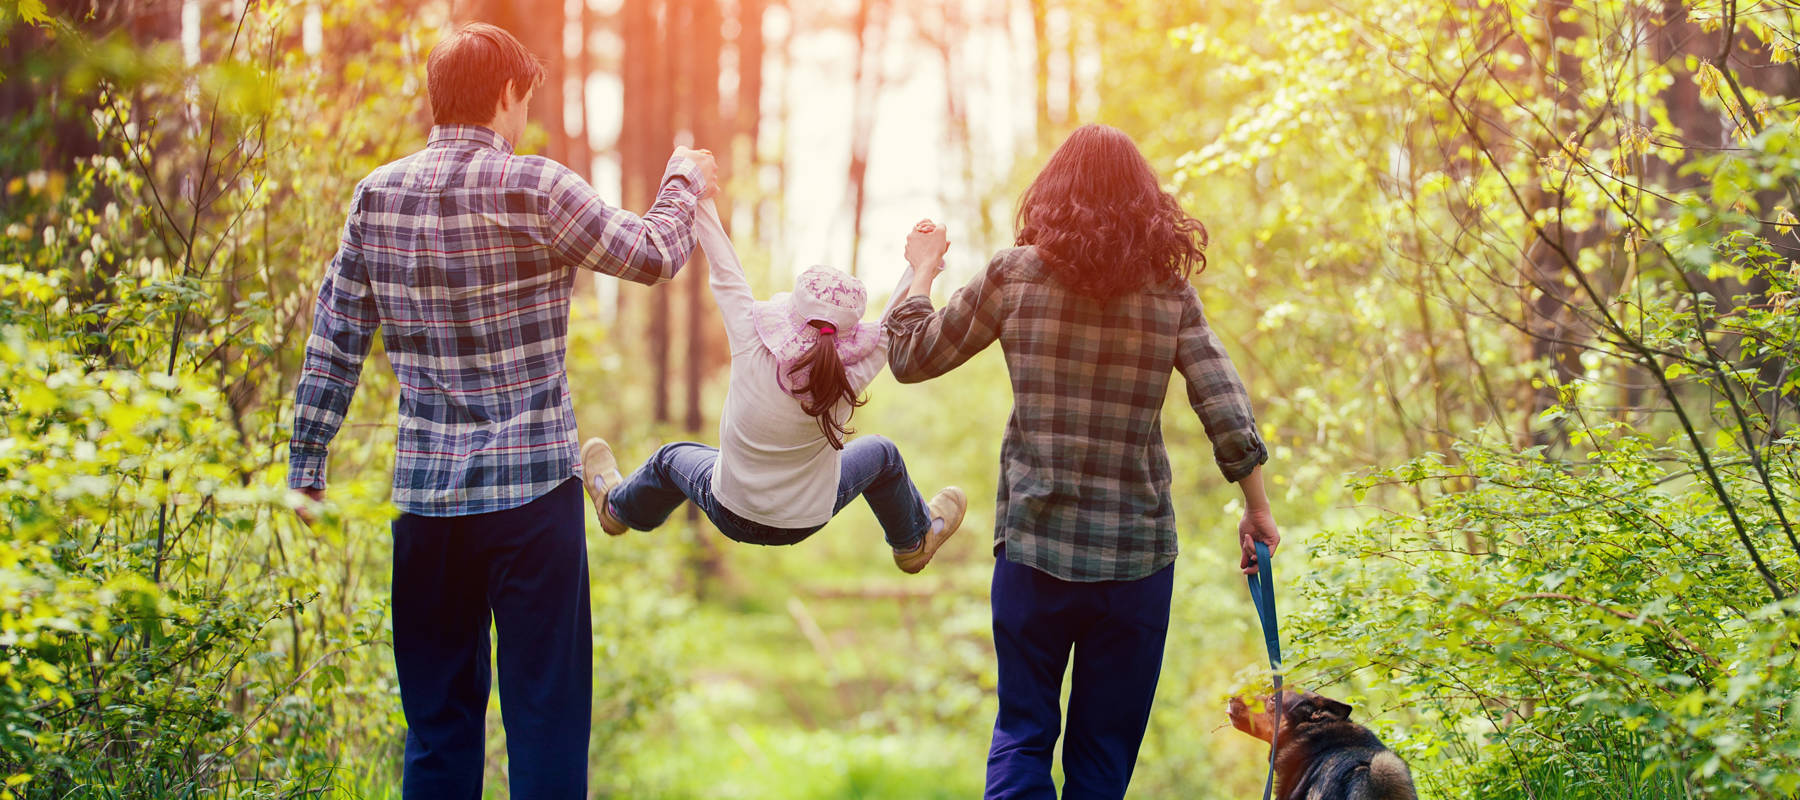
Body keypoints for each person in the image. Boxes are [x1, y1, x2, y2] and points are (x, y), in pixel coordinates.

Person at [285, 22, 718, 800]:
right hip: (530, 507)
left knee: (438, 734)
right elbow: (653, 253)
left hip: (426, 507)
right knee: (546, 725)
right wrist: (682, 179)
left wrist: (305, 467)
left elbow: (334, 340)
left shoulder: (376, 196)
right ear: (507, 95)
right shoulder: (536, 187)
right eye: (524, 99)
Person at [883, 123, 1281, 800]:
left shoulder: (1014, 276)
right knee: (1101, 761)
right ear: (1146, 203)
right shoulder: (1169, 294)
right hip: (1137, 562)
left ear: (1053, 194)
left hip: (1035, 551)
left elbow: (910, 356)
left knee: (1023, 731)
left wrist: (920, 267)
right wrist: (1257, 509)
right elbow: (1222, 401)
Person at [579, 198, 967, 571]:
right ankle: (913, 542)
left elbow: (725, 270)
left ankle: (616, 510)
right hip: (807, 518)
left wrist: (701, 197)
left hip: (729, 508)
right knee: (882, 453)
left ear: (791, 312)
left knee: (668, 459)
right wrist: (923, 266)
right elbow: (893, 323)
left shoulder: (750, 340)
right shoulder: (853, 371)